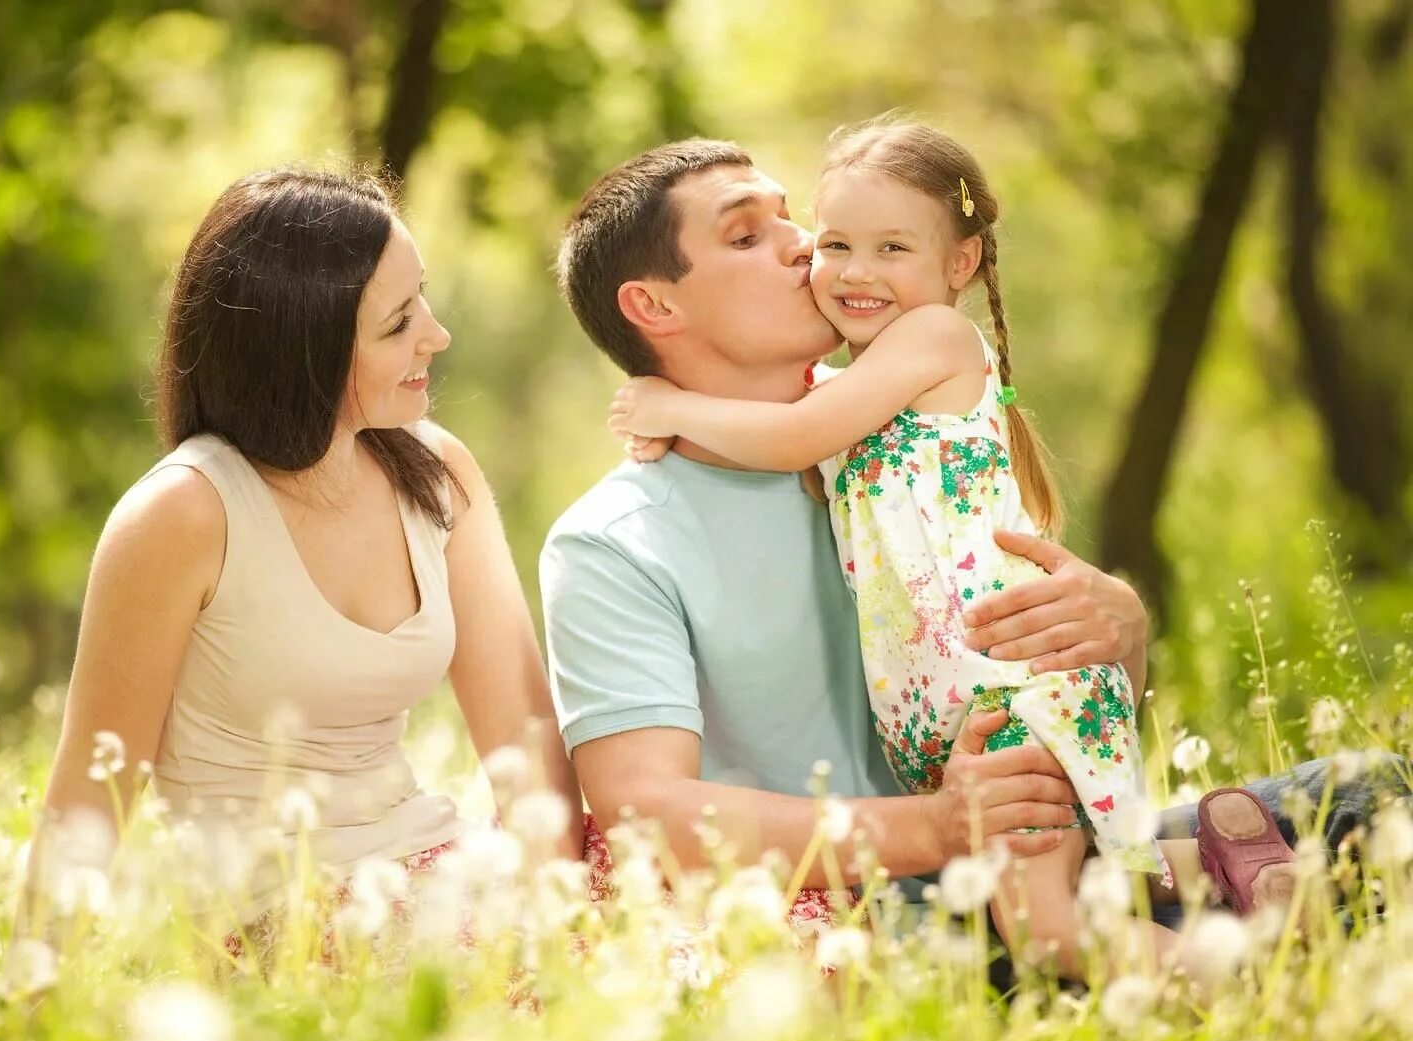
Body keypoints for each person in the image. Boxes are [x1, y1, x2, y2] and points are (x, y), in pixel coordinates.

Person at [544, 135, 1390, 941]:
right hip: (884, 924)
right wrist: (937, 826)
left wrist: (1121, 632)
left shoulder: (898, 442)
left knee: (1378, 799)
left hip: (1041, 843)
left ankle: (1223, 909)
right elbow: (646, 812)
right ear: (654, 304)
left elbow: (1051, 702)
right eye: (746, 234)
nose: (803, 246)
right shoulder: (615, 543)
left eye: (792, 217)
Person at [28, 167, 581, 951]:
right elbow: (89, 797)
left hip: (434, 870)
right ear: (302, 349)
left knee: (692, 911)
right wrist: (28, 1002)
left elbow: (527, 744)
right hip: (277, 916)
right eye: (397, 323)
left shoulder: (436, 472)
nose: (436, 333)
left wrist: (563, 919)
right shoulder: (183, 515)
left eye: (421, 296)